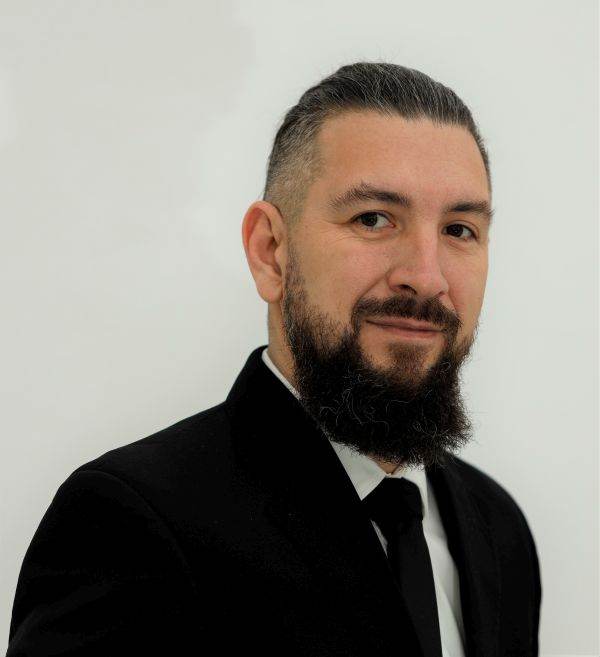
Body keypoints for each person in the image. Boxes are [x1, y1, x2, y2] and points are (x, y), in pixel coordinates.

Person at [6, 62, 541, 657]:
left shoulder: (498, 530)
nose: (426, 276)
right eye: (372, 219)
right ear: (270, 251)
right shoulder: (131, 526)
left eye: (459, 230)